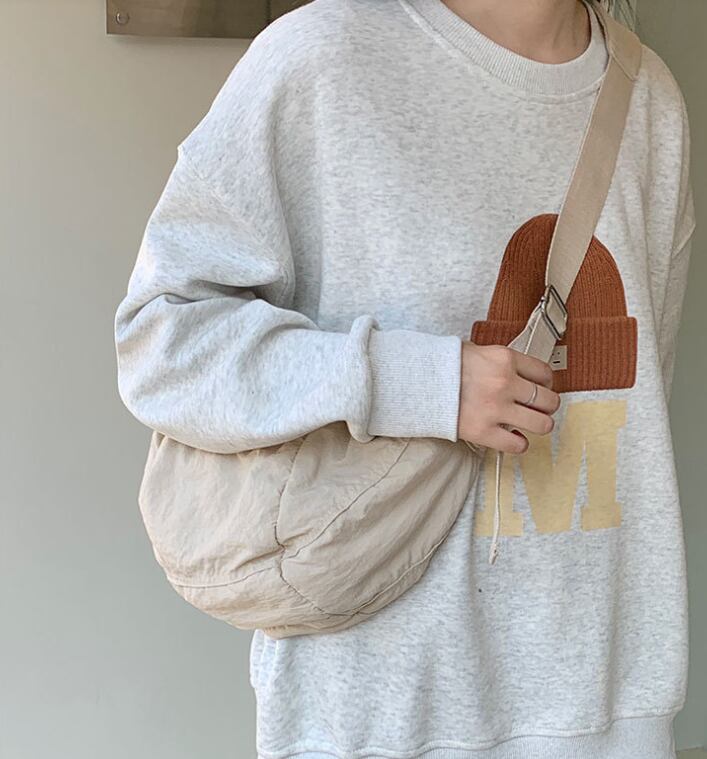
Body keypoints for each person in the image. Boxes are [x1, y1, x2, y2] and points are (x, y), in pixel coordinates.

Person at [113, 0, 696, 756]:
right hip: (375, 708)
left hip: (609, 699)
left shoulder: (648, 98)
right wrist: (423, 384)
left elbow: (642, 396)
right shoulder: (321, 56)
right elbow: (161, 342)